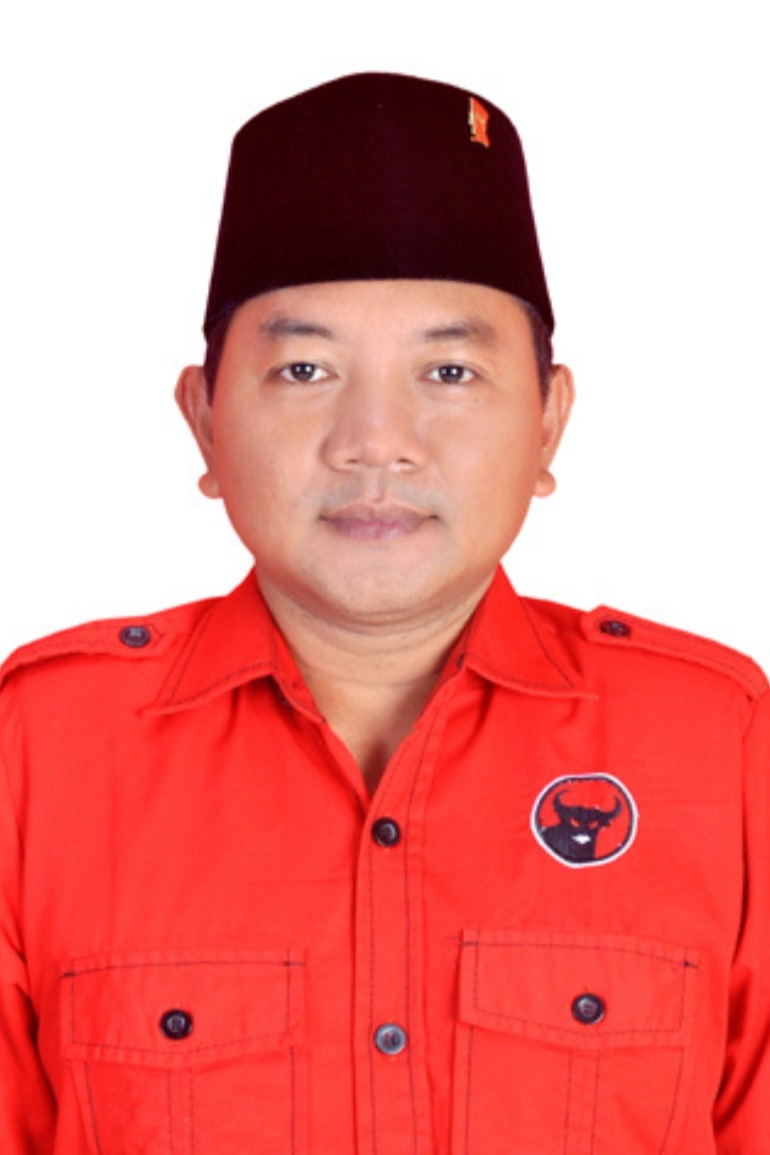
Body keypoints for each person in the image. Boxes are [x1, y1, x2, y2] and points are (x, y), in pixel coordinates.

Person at [0, 72, 767, 1155]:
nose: (376, 440)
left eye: (448, 370)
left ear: (548, 424)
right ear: (204, 421)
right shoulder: (39, 748)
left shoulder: (715, 742)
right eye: (304, 368)